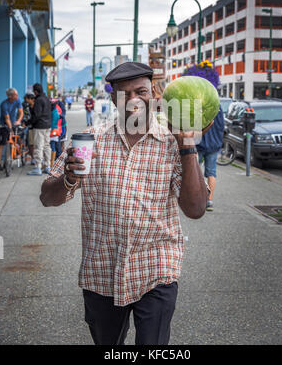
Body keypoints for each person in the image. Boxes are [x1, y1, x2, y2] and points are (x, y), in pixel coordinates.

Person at [40, 61, 212, 346]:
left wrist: (188, 145)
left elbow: (195, 209)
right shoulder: (90, 140)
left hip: (156, 269)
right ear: (112, 99)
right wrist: (68, 177)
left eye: (140, 91)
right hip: (102, 271)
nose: (133, 99)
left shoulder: (172, 142)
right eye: (124, 93)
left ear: (154, 93)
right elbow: (47, 198)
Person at [196, 105, 225, 211]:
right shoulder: (218, 107)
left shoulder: (199, 106)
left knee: (195, 172)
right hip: (214, 145)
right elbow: (221, 126)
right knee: (211, 173)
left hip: (199, 144)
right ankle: (209, 200)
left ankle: (197, 199)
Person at [27, 83, 52, 176]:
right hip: (47, 125)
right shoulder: (46, 99)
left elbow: (36, 115)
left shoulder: (38, 100)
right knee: (46, 145)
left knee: (38, 146)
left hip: (39, 126)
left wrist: (28, 122)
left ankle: (38, 167)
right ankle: (47, 166)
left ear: (36, 91)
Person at [0, 88, 24, 170]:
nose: (17, 96)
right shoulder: (4, 104)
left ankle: (12, 157)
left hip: (13, 123)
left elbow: (21, 112)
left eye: (17, 94)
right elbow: (7, 118)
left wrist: (19, 120)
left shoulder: (17, 100)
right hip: (4, 124)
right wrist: (10, 129)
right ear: (9, 96)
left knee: (15, 140)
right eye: (15, 95)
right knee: (2, 144)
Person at [22, 93, 36, 165]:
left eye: (26, 100)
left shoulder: (37, 106)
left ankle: (38, 158)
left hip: (38, 127)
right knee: (31, 144)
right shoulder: (26, 107)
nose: (26, 101)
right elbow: (25, 116)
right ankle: (33, 158)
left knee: (38, 144)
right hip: (30, 127)